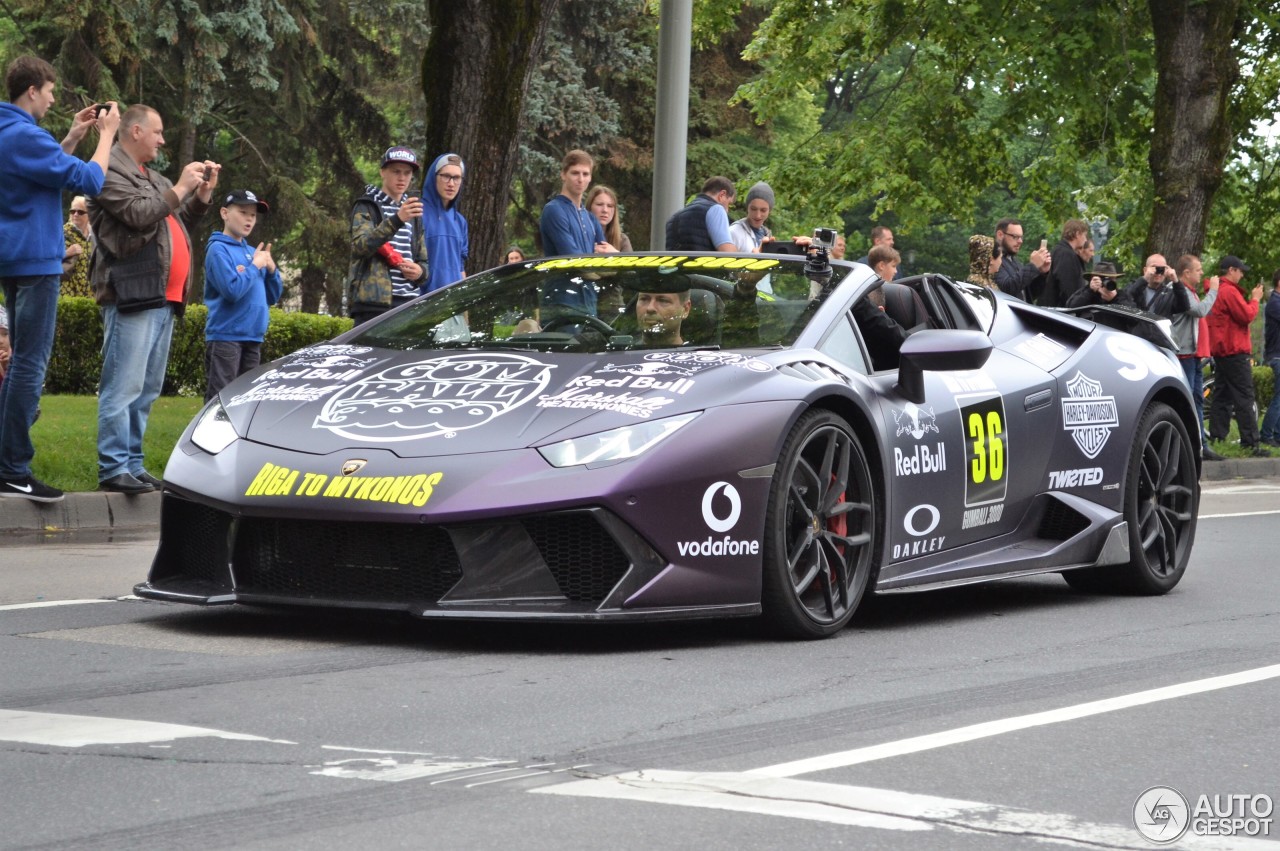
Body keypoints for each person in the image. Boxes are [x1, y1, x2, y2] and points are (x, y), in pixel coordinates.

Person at [0, 55, 118, 502]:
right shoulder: (25, 136)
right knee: (29, 363)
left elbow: (42, 175)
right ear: (32, 90)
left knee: (19, 364)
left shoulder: (9, 133)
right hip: (35, 263)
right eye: (50, 91)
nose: (52, 99)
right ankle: (13, 467)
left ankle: (6, 462)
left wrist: (70, 136)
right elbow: (90, 179)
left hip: (15, 261)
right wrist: (106, 137)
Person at [88, 103, 220, 494]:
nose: (163, 140)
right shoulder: (109, 169)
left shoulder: (150, 175)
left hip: (163, 296)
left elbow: (175, 221)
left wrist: (199, 196)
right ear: (135, 132)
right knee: (123, 384)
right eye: (158, 132)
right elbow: (138, 214)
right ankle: (112, 467)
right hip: (132, 291)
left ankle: (132, 462)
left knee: (145, 388)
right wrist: (179, 188)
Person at [203, 189, 283, 401]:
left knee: (244, 402)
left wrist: (272, 270)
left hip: (253, 338)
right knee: (221, 401)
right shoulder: (218, 250)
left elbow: (272, 297)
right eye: (243, 212)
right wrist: (255, 266)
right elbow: (232, 291)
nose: (249, 219)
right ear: (224, 213)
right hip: (226, 338)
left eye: (253, 215)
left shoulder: (251, 251)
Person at [345, 146, 428, 326]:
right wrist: (397, 219)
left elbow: (423, 261)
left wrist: (419, 272)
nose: (402, 177)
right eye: (396, 171)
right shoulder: (367, 206)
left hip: (408, 303)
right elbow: (361, 246)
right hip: (373, 304)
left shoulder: (413, 213)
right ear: (383, 172)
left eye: (407, 173)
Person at [1206, 255, 1267, 456]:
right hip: (1234, 351)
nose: (1241, 275)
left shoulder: (1215, 291)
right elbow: (1246, 315)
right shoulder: (1230, 292)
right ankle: (1250, 443)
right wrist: (1255, 299)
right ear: (1231, 270)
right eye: (1240, 271)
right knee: (1244, 397)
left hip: (1221, 351)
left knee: (1222, 396)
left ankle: (1217, 436)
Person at [1170, 255, 1221, 460]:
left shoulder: (1191, 292)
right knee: (1189, 400)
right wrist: (1214, 290)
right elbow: (1200, 311)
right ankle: (1189, 445)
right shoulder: (1182, 293)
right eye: (1198, 269)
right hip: (1184, 355)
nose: (1202, 272)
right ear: (1186, 273)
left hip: (1194, 355)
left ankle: (1201, 443)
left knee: (1197, 399)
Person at [540, 150, 615, 257]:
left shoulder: (590, 218)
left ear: (590, 178)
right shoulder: (554, 210)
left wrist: (615, 254)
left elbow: (605, 259)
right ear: (563, 175)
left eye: (585, 174)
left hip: (589, 273)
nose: (580, 179)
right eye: (575, 173)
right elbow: (573, 259)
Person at [419, 152, 468, 294]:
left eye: (456, 178)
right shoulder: (416, 212)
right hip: (422, 304)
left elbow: (461, 267)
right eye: (446, 176)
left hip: (452, 303)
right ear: (433, 177)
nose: (451, 183)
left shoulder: (460, 221)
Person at [664, 175, 737, 252]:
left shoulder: (673, 218)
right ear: (722, 195)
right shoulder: (716, 209)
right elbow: (727, 251)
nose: (727, 210)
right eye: (729, 203)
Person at [993, 218, 1050, 301]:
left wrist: (1042, 273)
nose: (1020, 241)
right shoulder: (993, 261)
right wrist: (1033, 265)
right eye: (1015, 237)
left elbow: (1030, 294)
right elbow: (1008, 288)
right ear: (1000, 235)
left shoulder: (1015, 261)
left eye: (1021, 237)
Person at [1038, 219, 1089, 307]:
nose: (1086, 240)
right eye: (1084, 235)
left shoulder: (1059, 251)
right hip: (1059, 314)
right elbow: (1068, 289)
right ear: (1077, 234)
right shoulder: (1066, 255)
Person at [1121, 254, 1189, 318]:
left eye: (1162, 269)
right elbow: (1124, 299)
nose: (1159, 272)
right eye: (1155, 268)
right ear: (1145, 270)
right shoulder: (1135, 287)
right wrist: (1144, 279)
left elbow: (1184, 307)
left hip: (1157, 330)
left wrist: (1176, 282)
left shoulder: (1169, 294)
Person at [1259, 270, 1280, 448]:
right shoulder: (1275, 303)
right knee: (1278, 397)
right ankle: (1266, 434)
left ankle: (1277, 435)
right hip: (1277, 356)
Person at [61, 195, 94, 297]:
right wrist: (67, 253)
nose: (75, 214)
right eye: (72, 211)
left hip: (90, 293)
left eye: (80, 212)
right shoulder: (61, 232)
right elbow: (48, 258)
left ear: (89, 214)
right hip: (67, 292)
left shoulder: (95, 236)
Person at [729, 181, 774, 253]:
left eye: (763, 210)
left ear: (770, 210)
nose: (757, 215)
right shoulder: (734, 232)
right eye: (753, 209)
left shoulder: (766, 233)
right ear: (747, 207)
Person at [586, 185, 632, 251]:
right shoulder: (580, 237)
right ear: (589, 207)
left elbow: (631, 261)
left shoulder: (622, 240)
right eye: (599, 204)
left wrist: (615, 254)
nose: (605, 210)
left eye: (610, 206)